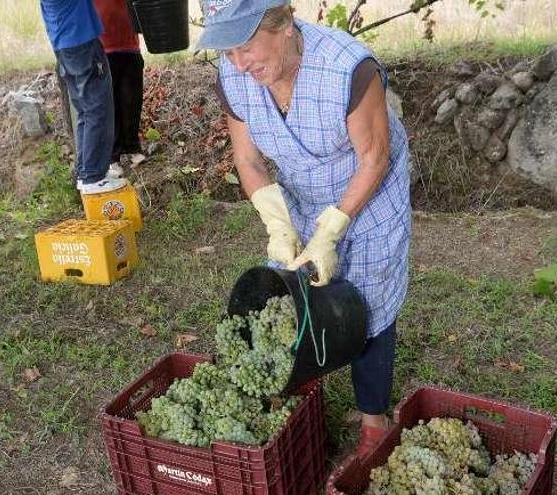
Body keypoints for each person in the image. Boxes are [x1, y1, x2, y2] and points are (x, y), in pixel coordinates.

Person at [197, 0, 411, 457]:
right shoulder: (233, 74)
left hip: (369, 189)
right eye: (228, 50)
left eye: (247, 46)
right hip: (301, 193)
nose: (238, 63)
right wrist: (277, 222)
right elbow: (249, 159)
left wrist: (332, 228)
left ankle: (373, 417)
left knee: (370, 297)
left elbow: (375, 157)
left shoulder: (349, 69)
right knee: (288, 292)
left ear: (285, 25)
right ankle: (292, 408)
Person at [39, 0, 127, 194]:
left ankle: (87, 172)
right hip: (80, 41)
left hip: (65, 43)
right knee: (97, 108)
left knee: (85, 111)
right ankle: (94, 177)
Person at [93, 0, 147, 167]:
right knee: (110, 105)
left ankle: (132, 147)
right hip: (103, 50)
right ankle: (112, 157)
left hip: (130, 47)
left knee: (132, 101)